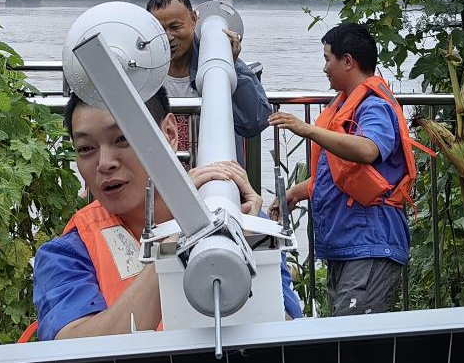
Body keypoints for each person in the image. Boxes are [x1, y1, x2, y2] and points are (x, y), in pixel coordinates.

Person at [30, 88, 303, 341]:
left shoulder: (247, 226)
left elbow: (288, 343)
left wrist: (247, 249)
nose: (105, 163)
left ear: (170, 133)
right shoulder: (67, 253)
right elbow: (71, 352)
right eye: (86, 149)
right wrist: (176, 244)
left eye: (123, 139)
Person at [267, 23, 417, 316]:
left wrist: (307, 129)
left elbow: (368, 149)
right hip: (350, 245)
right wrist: (297, 191)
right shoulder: (343, 105)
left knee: (352, 335)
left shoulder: (373, 106)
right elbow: (341, 174)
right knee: (344, 331)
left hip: (370, 242)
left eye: (327, 59)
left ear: (348, 61)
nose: (324, 68)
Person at [145, 0, 271, 161]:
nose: (168, 37)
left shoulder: (221, 62)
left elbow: (256, 121)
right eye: (160, 29)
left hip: (215, 170)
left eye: (175, 27)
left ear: (193, 20)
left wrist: (232, 66)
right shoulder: (142, 71)